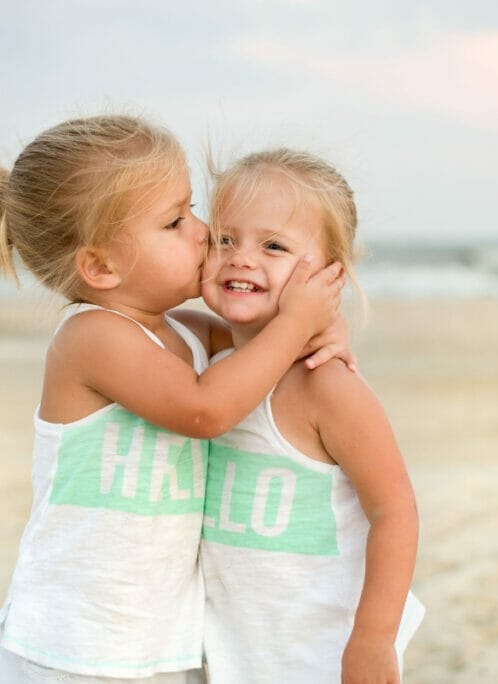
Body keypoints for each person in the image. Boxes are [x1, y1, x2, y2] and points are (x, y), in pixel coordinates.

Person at [0, 116, 346, 683]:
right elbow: (205, 409)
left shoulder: (189, 332)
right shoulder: (91, 337)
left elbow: (255, 343)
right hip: (71, 643)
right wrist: (295, 327)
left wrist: (321, 329)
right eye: (174, 221)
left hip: (158, 642)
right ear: (99, 267)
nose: (202, 231)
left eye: (192, 209)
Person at [199, 148, 425, 683]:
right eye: (224, 239)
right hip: (238, 651)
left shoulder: (326, 384)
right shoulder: (204, 358)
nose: (241, 259)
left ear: (329, 274)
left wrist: (374, 639)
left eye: (273, 246)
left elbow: (395, 510)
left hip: (321, 654)